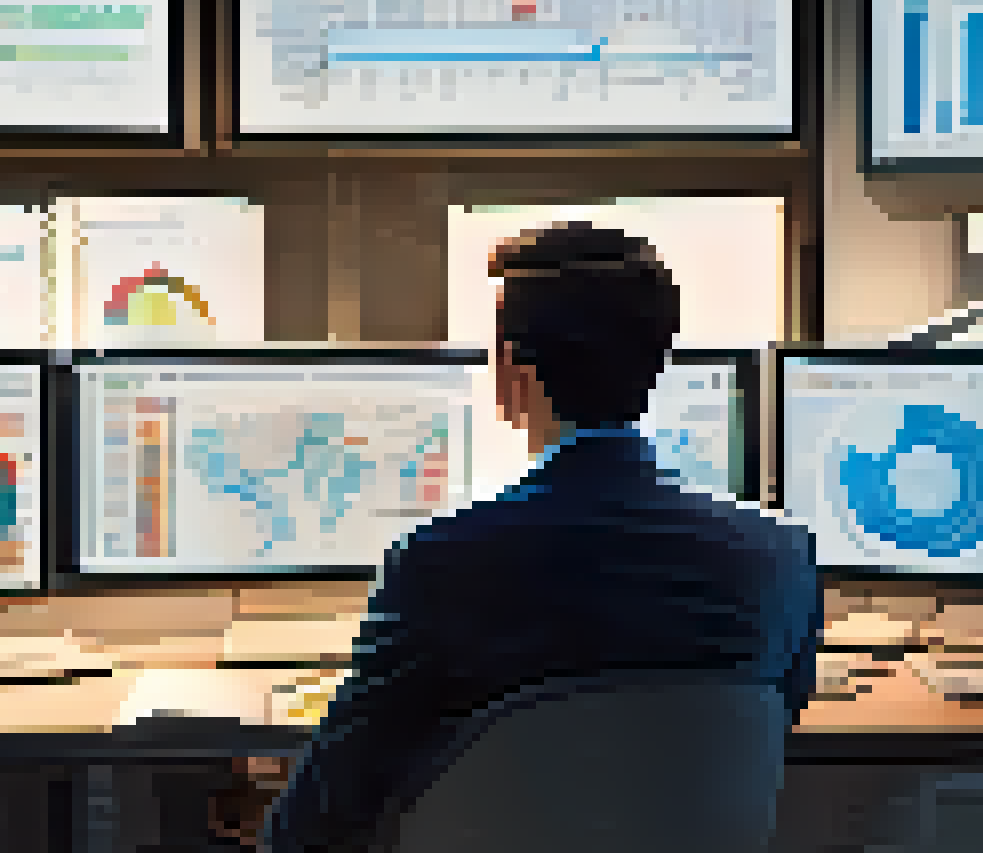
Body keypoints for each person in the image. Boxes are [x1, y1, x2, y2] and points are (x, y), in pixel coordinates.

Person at [261, 222, 823, 853]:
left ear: (511, 371)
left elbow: (323, 812)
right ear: (657, 366)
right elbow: (757, 738)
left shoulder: (441, 563)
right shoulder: (783, 560)